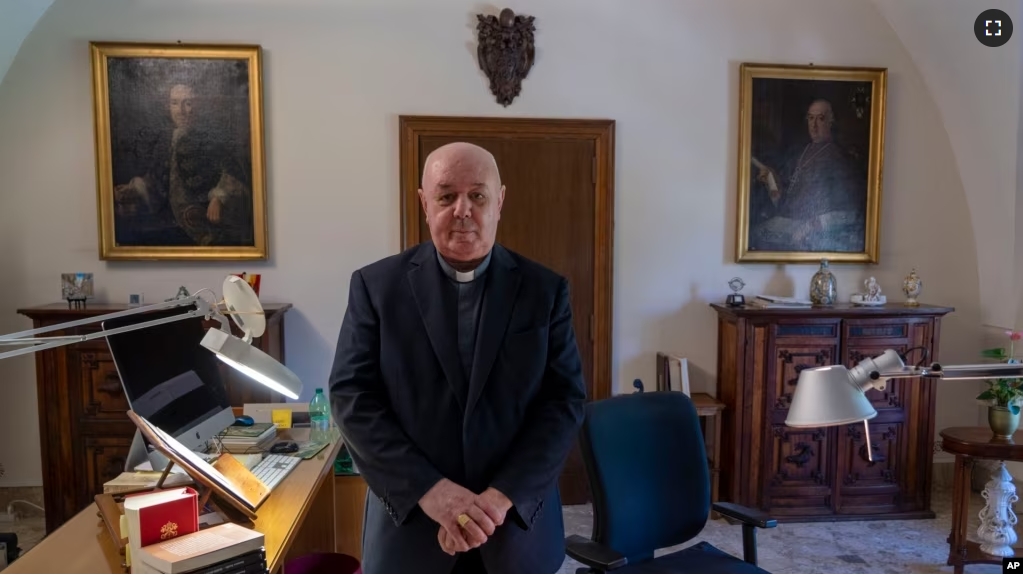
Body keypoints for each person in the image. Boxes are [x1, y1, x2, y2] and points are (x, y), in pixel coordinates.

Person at [329, 142, 587, 573]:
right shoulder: (376, 288)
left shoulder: (546, 290)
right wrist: (433, 493)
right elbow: (352, 398)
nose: (463, 210)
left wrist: (500, 498)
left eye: (478, 196)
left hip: (515, 527)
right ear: (424, 202)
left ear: (499, 201)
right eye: (446, 196)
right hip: (410, 530)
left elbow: (563, 403)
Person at [113, 81, 253, 246]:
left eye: (188, 103)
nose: (181, 111)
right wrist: (135, 189)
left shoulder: (212, 137)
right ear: (168, 107)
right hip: (169, 220)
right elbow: (157, 179)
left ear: (199, 105)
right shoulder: (167, 139)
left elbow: (235, 171)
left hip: (203, 221)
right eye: (174, 103)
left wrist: (219, 198)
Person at [750, 98, 867, 252]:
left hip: (814, 232)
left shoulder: (839, 158)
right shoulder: (803, 151)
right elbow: (788, 202)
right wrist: (772, 184)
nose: (814, 125)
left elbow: (850, 212)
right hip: (790, 224)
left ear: (831, 123)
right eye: (811, 118)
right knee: (753, 235)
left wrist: (811, 225)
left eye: (821, 118)